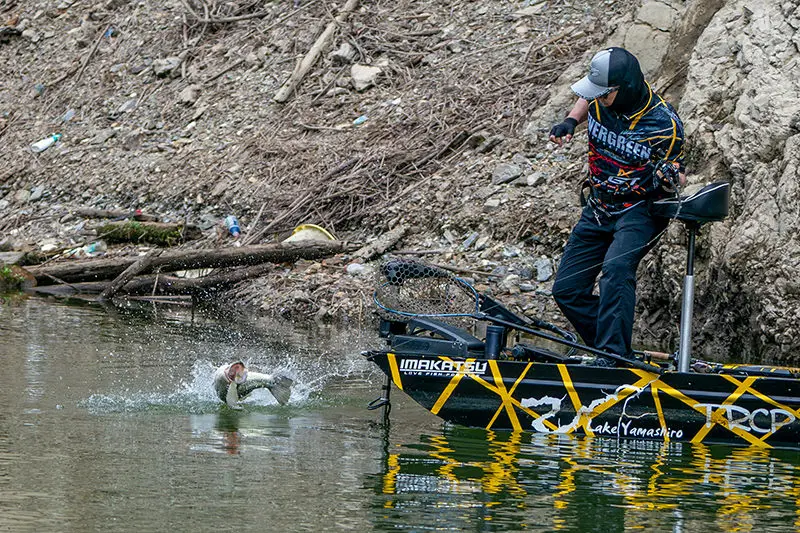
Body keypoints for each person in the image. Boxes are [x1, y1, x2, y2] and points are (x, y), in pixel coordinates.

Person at [548, 47, 686, 366]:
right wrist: (571, 120)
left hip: (641, 210)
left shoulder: (665, 124)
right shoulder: (600, 97)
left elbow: (676, 173)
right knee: (567, 289)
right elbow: (587, 97)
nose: (597, 99)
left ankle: (612, 355)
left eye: (603, 94)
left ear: (623, 89)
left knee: (616, 269)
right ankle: (612, 350)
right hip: (599, 205)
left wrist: (669, 175)